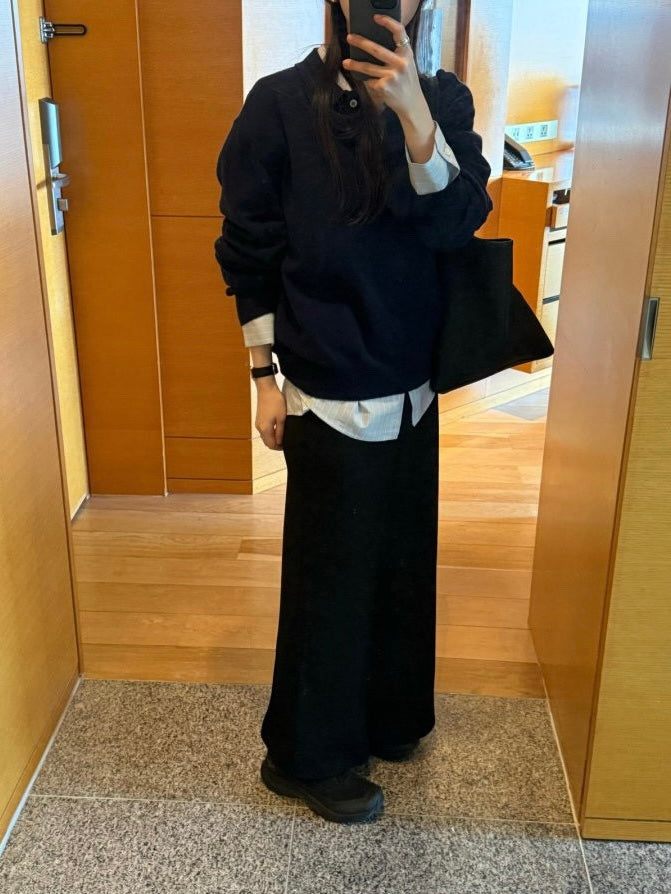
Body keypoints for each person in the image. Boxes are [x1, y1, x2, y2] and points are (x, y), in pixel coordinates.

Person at [213, 0, 493, 824]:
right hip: (327, 382)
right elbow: (248, 245)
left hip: (415, 382)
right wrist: (261, 376)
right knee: (329, 580)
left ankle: (388, 715)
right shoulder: (277, 103)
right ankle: (303, 756)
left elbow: (457, 223)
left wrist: (413, 117)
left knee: (400, 561)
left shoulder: (442, 100)